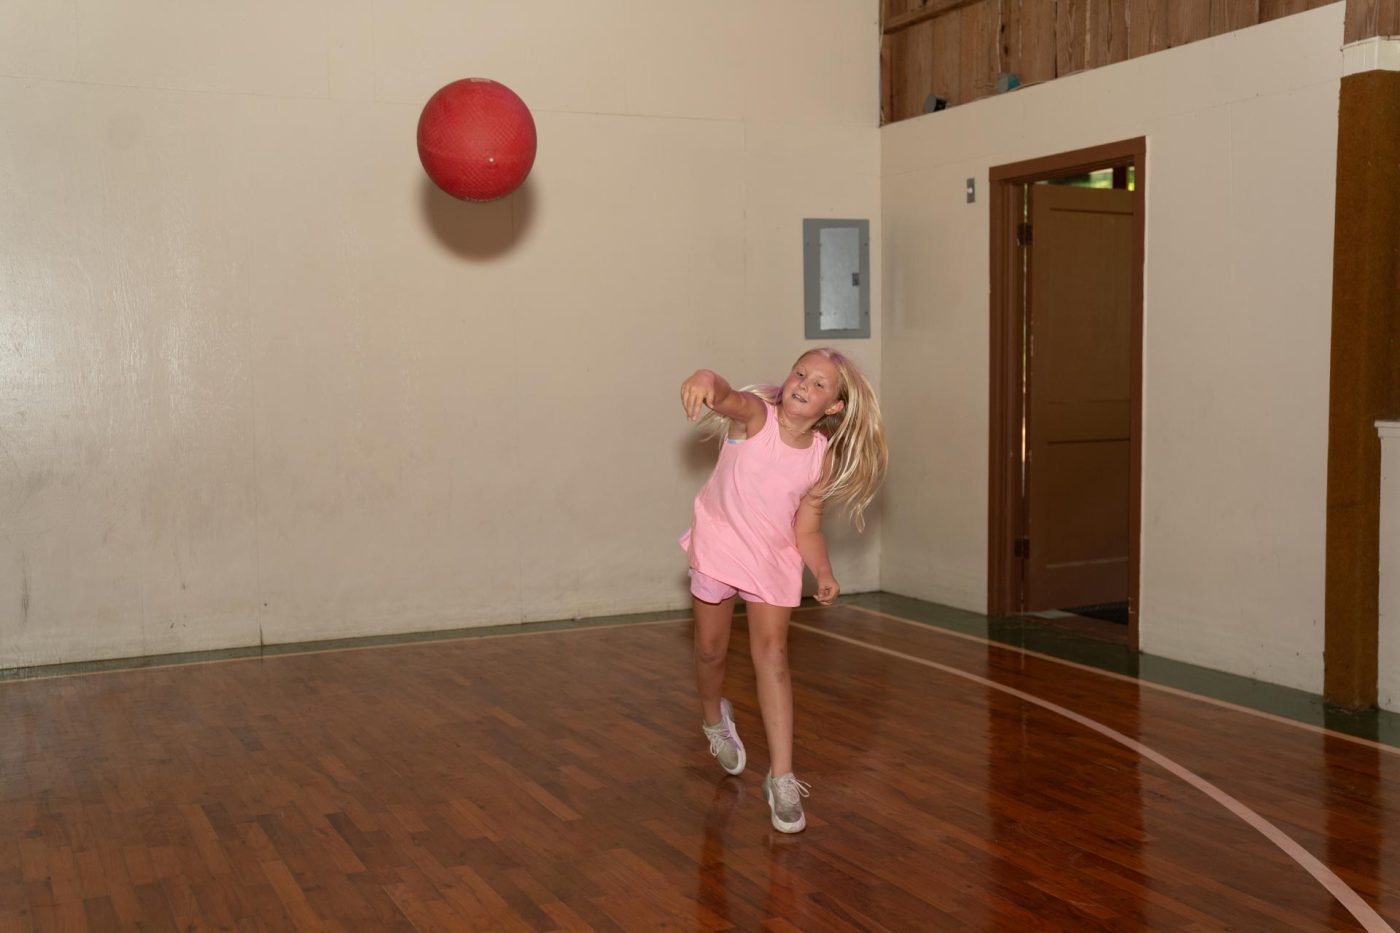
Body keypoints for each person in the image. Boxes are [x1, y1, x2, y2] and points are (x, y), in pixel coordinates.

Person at [678, 348, 887, 833]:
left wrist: (824, 571)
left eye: (819, 384)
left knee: (772, 659)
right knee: (710, 650)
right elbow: (726, 396)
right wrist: (705, 376)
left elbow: (807, 528)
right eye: (800, 373)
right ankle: (714, 720)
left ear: (834, 406)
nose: (803, 384)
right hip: (719, 544)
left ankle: (782, 777)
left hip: (772, 558)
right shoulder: (756, 418)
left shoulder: (821, 458)